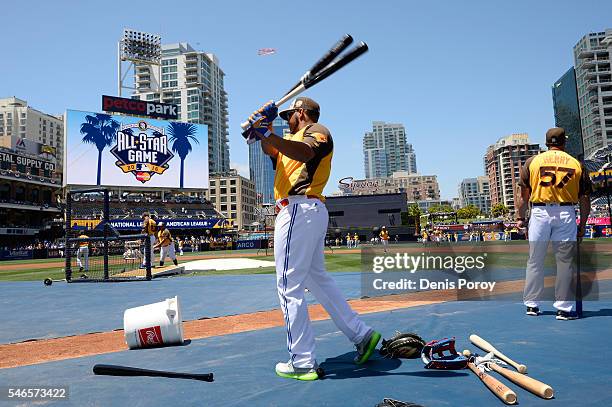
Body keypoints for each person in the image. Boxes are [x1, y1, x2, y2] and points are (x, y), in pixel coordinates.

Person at [244, 97, 380, 381]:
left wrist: (267, 131)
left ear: (301, 113)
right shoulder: (290, 139)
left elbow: (305, 153)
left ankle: (302, 361)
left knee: (287, 284)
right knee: (317, 279)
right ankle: (362, 334)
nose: (287, 119)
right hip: (302, 211)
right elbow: (272, 150)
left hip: (299, 208)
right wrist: (262, 128)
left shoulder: (318, 130)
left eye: (289, 115)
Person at [517, 128, 592, 320]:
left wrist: (521, 218)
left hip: (540, 212)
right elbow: (584, 198)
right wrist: (583, 223)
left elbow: (523, 196)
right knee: (565, 262)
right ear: (563, 142)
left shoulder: (532, 162)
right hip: (566, 211)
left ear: (547, 143)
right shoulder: (577, 164)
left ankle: (532, 305)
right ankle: (563, 309)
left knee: (535, 260)